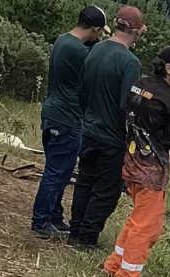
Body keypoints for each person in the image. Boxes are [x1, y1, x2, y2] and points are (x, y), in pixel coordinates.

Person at [102, 47, 170, 277]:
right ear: (169, 68)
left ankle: (113, 266)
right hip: (151, 170)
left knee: (136, 220)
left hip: (131, 161)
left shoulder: (139, 84)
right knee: (147, 228)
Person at [68, 5, 146, 251]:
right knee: (106, 190)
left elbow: (81, 90)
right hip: (112, 138)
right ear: (137, 31)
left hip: (88, 130)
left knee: (84, 182)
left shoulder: (95, 49)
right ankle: (87, 238)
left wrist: (88, 117)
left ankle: (75, 230)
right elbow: (128, 106)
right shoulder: (130, 62)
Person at [30, 6, 109, 239]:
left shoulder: (63, 40)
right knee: (57, 172)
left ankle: (54, 217)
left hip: (53, 112)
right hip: (67, 118)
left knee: (60, 171)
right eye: (100, 33)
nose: (99, 36)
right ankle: (41, 221)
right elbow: (96, 71)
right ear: (95, 29)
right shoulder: (79, 51)